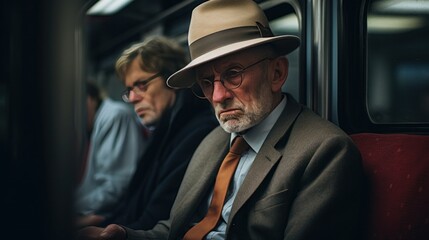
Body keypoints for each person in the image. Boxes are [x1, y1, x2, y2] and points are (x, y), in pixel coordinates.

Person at [77, 0, 365, 239]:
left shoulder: (324, 151)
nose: (217, 96)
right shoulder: (213, 141)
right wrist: (124, 235)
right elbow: (176, 229)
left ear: (276, 73)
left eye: (233, 74)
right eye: (206, 81)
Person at [76, 36, 218, 231]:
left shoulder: (197, 132)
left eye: (142, 84)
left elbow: (156, 218)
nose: (133, 98)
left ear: (172, 79)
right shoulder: (165, 131)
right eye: (129, 90)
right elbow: (136, 207)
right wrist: (102, 222)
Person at [75, 81, 146, 218]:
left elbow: (116, 186)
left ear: (91, 99)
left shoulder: (114, 116)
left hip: (115, 216)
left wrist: (69, 208)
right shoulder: (88, 128)